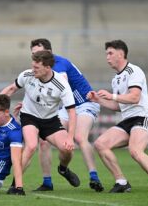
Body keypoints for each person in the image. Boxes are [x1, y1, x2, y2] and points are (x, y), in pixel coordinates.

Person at [87, 40, 148, 193]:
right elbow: (119, 106)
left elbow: (134, 98)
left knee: (135, 150)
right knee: (100, 144)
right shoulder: (116, 78)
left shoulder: (133, 71)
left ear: (121, 54)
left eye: (110, 53)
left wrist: (111, 96)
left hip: (143, 118)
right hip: (127, 121)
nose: (107, 57)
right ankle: (121, 182)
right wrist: (98, 100)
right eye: (106, 54)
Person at [28, 38, 103, 192]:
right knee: (44, 141)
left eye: (39, 53)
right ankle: (48, 181)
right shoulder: (40, 68)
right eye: (33, 54)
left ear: (49, 52)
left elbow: (62, 83)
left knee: (80, 137)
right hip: (65, 107)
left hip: (84, 103)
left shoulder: (59, 64)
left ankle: (94, 177)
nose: (35, 58)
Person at [0, 50, 80, 193]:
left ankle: (63, 169)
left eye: (37, 68)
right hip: (29, 116)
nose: (33, 70)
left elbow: (72, 112)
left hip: (50, 121)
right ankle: (15, 185)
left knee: (67, 150)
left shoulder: (61, 84)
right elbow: (11, 89)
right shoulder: (27, 75)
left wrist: (70, 137)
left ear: (48, 68)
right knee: (31, 146)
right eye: (33, 66)